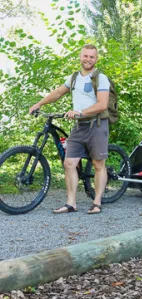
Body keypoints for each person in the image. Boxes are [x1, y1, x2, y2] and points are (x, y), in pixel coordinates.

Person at [29, 44, 110, 214]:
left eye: (91, 57)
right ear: (80, 57)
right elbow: (58, 92)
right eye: (85, 56)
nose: (88, 59)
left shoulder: (100, 78)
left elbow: (102, 104)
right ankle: (71, 203)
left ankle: (97, 202)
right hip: (79, 126)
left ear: (96, 59)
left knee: (98, 164)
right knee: (69, 163)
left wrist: (80, 112)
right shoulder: (74, 78)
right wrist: (39, 103)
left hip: (96, 124)